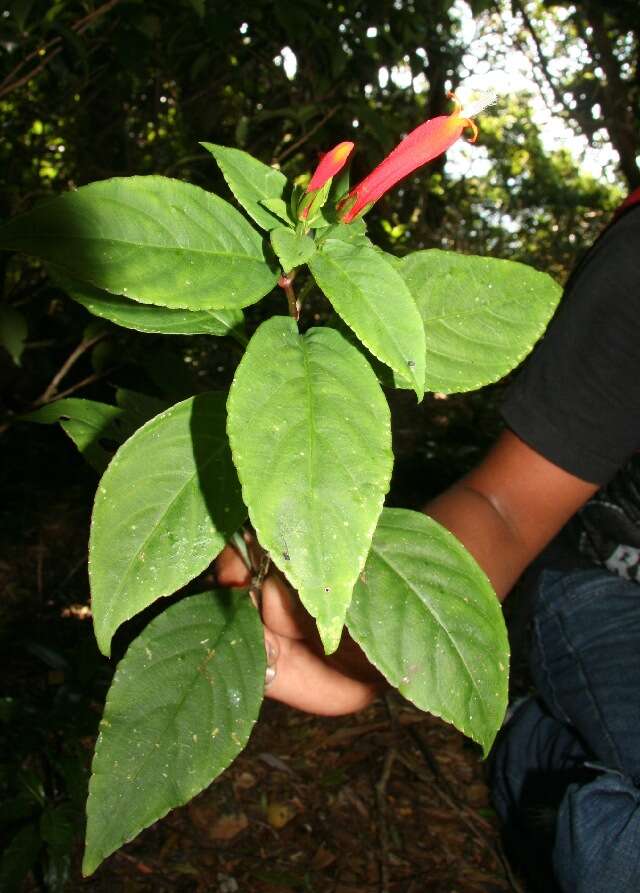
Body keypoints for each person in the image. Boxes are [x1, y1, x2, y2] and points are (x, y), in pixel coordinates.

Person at [217, 188, 640, 891]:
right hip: (604, 579)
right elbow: (503, 506)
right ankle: (530, 756)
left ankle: (549, 773)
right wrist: (357, 626)